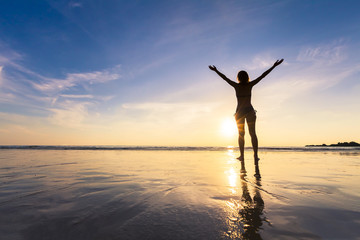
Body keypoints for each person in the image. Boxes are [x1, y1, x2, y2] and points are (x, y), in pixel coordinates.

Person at [209, 59, 283, 162]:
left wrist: (216, 71)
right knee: (253, 133)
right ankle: (255, 156)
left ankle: (242, 156)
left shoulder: (236, 86)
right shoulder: (249, 85)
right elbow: (263, 75)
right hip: (249, 111)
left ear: (238, 78)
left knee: (241, 135)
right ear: (247, 77)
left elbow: (225, 78)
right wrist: (274, 66)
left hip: (240, 112)